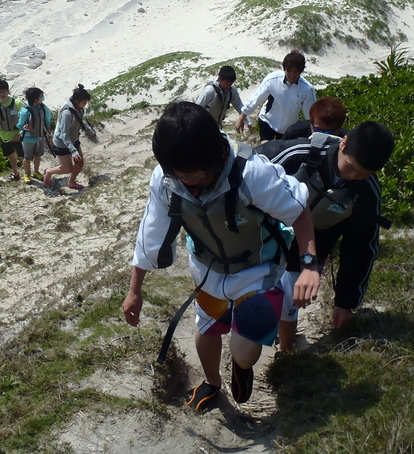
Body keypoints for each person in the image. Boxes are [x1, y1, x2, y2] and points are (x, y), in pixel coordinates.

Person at [122, 102, 321, 411]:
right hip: (207, 268)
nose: (186, 183)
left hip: (259, 268)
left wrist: (309, 265)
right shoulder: (166, 180)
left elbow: (299, 209)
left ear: (216, 157)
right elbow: (150, 233)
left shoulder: (252, 174)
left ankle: (242, 366)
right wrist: (135, 290)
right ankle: (213, 382)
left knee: (243, 351)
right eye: (177, 174)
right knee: (207, 329)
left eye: (193, 175)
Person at [256, 121, 395, 353]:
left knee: (291, 301)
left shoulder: (367, 190)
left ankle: (286, 352)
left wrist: (345, 302)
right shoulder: (296, 154)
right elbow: (245, 177)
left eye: (364, 173)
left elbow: (360, 247)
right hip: (266, 237)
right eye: (351, 167)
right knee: (256, 298)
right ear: (344, 142)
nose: (353, 177)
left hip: (313, 247)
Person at [235, 51, 317, 141]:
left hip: (288, 128)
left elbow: (311, 114)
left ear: (301, 71)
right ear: (284, 68)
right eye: (289, 70)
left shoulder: (307, 89)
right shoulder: (272, 79)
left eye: (296, 71)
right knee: (265, 150)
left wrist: (316, 132)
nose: (292, 75)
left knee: (281, 153)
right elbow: (256, 98)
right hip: (267, 121)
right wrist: (242, 117)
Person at [43, 85, 98, 190]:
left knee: (80, 162)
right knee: (67, 168)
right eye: (84, 102)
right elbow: (64, 134)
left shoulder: (79, 108)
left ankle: (71, 182)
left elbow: (80, 121)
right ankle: (49, 172)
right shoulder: (67, 113)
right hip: (62, 143)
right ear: (77, 100)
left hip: (74, 139)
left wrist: (90, 131)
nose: (85, 104)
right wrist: (73, 151)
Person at [0, 79, 25, 182]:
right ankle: (16, 174)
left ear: (8, 91)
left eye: (4, 91)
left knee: (23, 156)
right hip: (4, 136)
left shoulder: (17, 103)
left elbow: (26, 119)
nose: (2, 94)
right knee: (11, 155)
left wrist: (20, 134)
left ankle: (28, 174)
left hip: (18, 134)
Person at [18, 87, 51, 182]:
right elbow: (20, 125)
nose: (43, 97)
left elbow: (47, 121)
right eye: (41, 96)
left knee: (38, 155)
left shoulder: (42, 107)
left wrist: (49, 133)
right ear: (36, 99)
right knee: (27, 157)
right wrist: (24, 127)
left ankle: (36, 171)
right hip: (28, 138)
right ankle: (27, 174)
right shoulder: (25, 111)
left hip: (40, 136)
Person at [280, 95, 347, 140]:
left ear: (339, 129)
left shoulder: (348, 142)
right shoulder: (293, 134)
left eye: (329, 132)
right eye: (318, 131)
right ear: (311, 125)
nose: (322, 137)